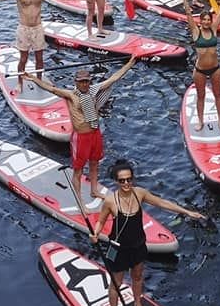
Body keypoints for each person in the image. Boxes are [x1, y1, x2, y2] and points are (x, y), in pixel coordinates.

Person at [91, 160, 205, 306]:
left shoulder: (140, 193)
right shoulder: (110, 201)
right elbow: (101, 221)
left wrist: (187, 212)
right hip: (119, 248)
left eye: (129, 179)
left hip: (138, 245)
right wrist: (96, 234)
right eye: (122, 181)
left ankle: (137, 304)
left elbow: (162, 203)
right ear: (116, 181)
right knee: (117, 283)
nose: (126, 183)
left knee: (137, 276)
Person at [22, 55, 138, 202]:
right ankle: (78, 199)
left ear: (90, 82)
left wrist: (130, 63)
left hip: (95, 134)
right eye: (81, 82)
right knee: (78, 169)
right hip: (81, 137)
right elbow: (50, 88)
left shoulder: (94, 90)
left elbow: (114, 77)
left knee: (95, 163)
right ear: (76, 82)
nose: (84, 84)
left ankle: (94, 191)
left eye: (86, 82)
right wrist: (33, 78)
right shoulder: (70, 95)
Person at [0, 0, 84, 91]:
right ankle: (20, 82)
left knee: (40, 58)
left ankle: (39, 80)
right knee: (23, 58)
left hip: (38, 28)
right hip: (24, 29)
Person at [182, 0, 220, 131]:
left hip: (215, 69)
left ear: (210, 20)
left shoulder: (214, 29)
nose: (206, 22)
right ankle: (200, 121)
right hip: (200, 70)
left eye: (208, 20)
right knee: (201, 96)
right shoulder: (196, 32)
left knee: (218, 95)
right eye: (203, 20)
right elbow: (188, 14)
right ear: (200, 21)